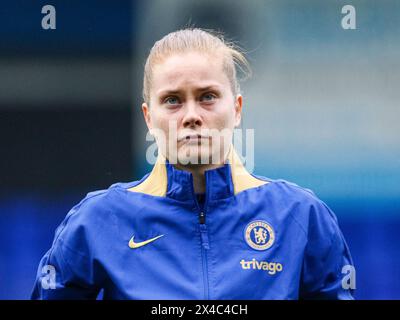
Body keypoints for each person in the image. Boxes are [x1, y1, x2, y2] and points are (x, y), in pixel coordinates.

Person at [31, 28, 355, 299]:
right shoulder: (97, 220)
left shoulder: (300, 216)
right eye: (172, 100)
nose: (191, 116)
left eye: (207, 97)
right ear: (148, 116)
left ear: (237, 108)